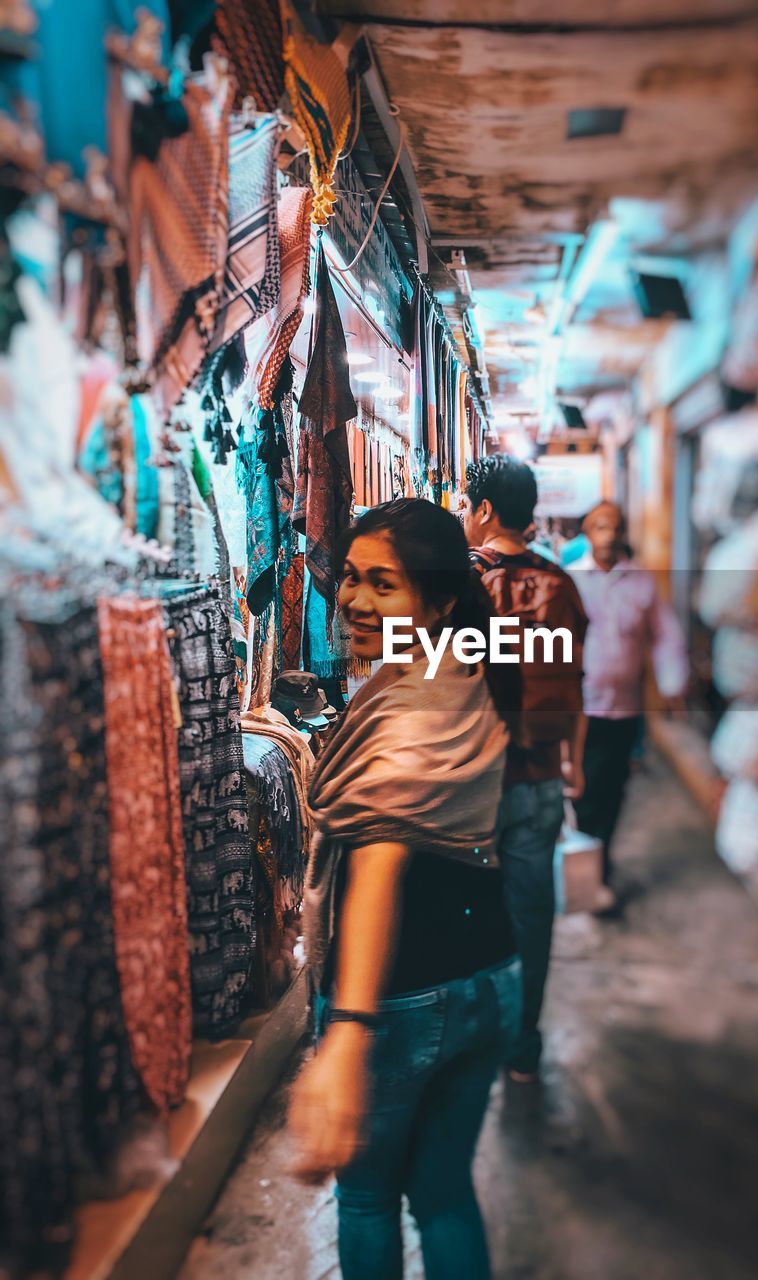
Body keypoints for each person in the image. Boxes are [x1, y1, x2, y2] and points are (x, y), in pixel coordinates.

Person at [288, 498, 522, 1280]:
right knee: (445, 1193)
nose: (352, 599)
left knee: (366, 1201)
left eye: (383, 584)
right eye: (350, 579)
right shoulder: (464, 671)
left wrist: (347, 1033)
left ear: (440, 598)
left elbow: (381, 863)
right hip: (491, 973)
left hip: (401, 998)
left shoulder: (409, 707)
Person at [463, 454, 588, 1083]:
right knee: (529, 920)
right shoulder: (560, 585)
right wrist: (575, 765)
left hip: (471, 784)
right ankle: (522, 1047)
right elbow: (575, 683)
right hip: (539, 777)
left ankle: (473, 1044)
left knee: (467, 917)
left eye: (466, 505)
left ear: (484, 511)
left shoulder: (461, 584)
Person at [567, 501, 688, 911]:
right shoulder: (572, 581)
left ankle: (599, 864)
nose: (608, 535)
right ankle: (590, 879)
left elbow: (665, 635)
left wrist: (673, 685)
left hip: (625, 709)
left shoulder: (641, 583)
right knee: (585, 793)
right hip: (582, 709)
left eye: (615, 527)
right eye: (600, 526)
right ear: (587, 532)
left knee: (614, 790)